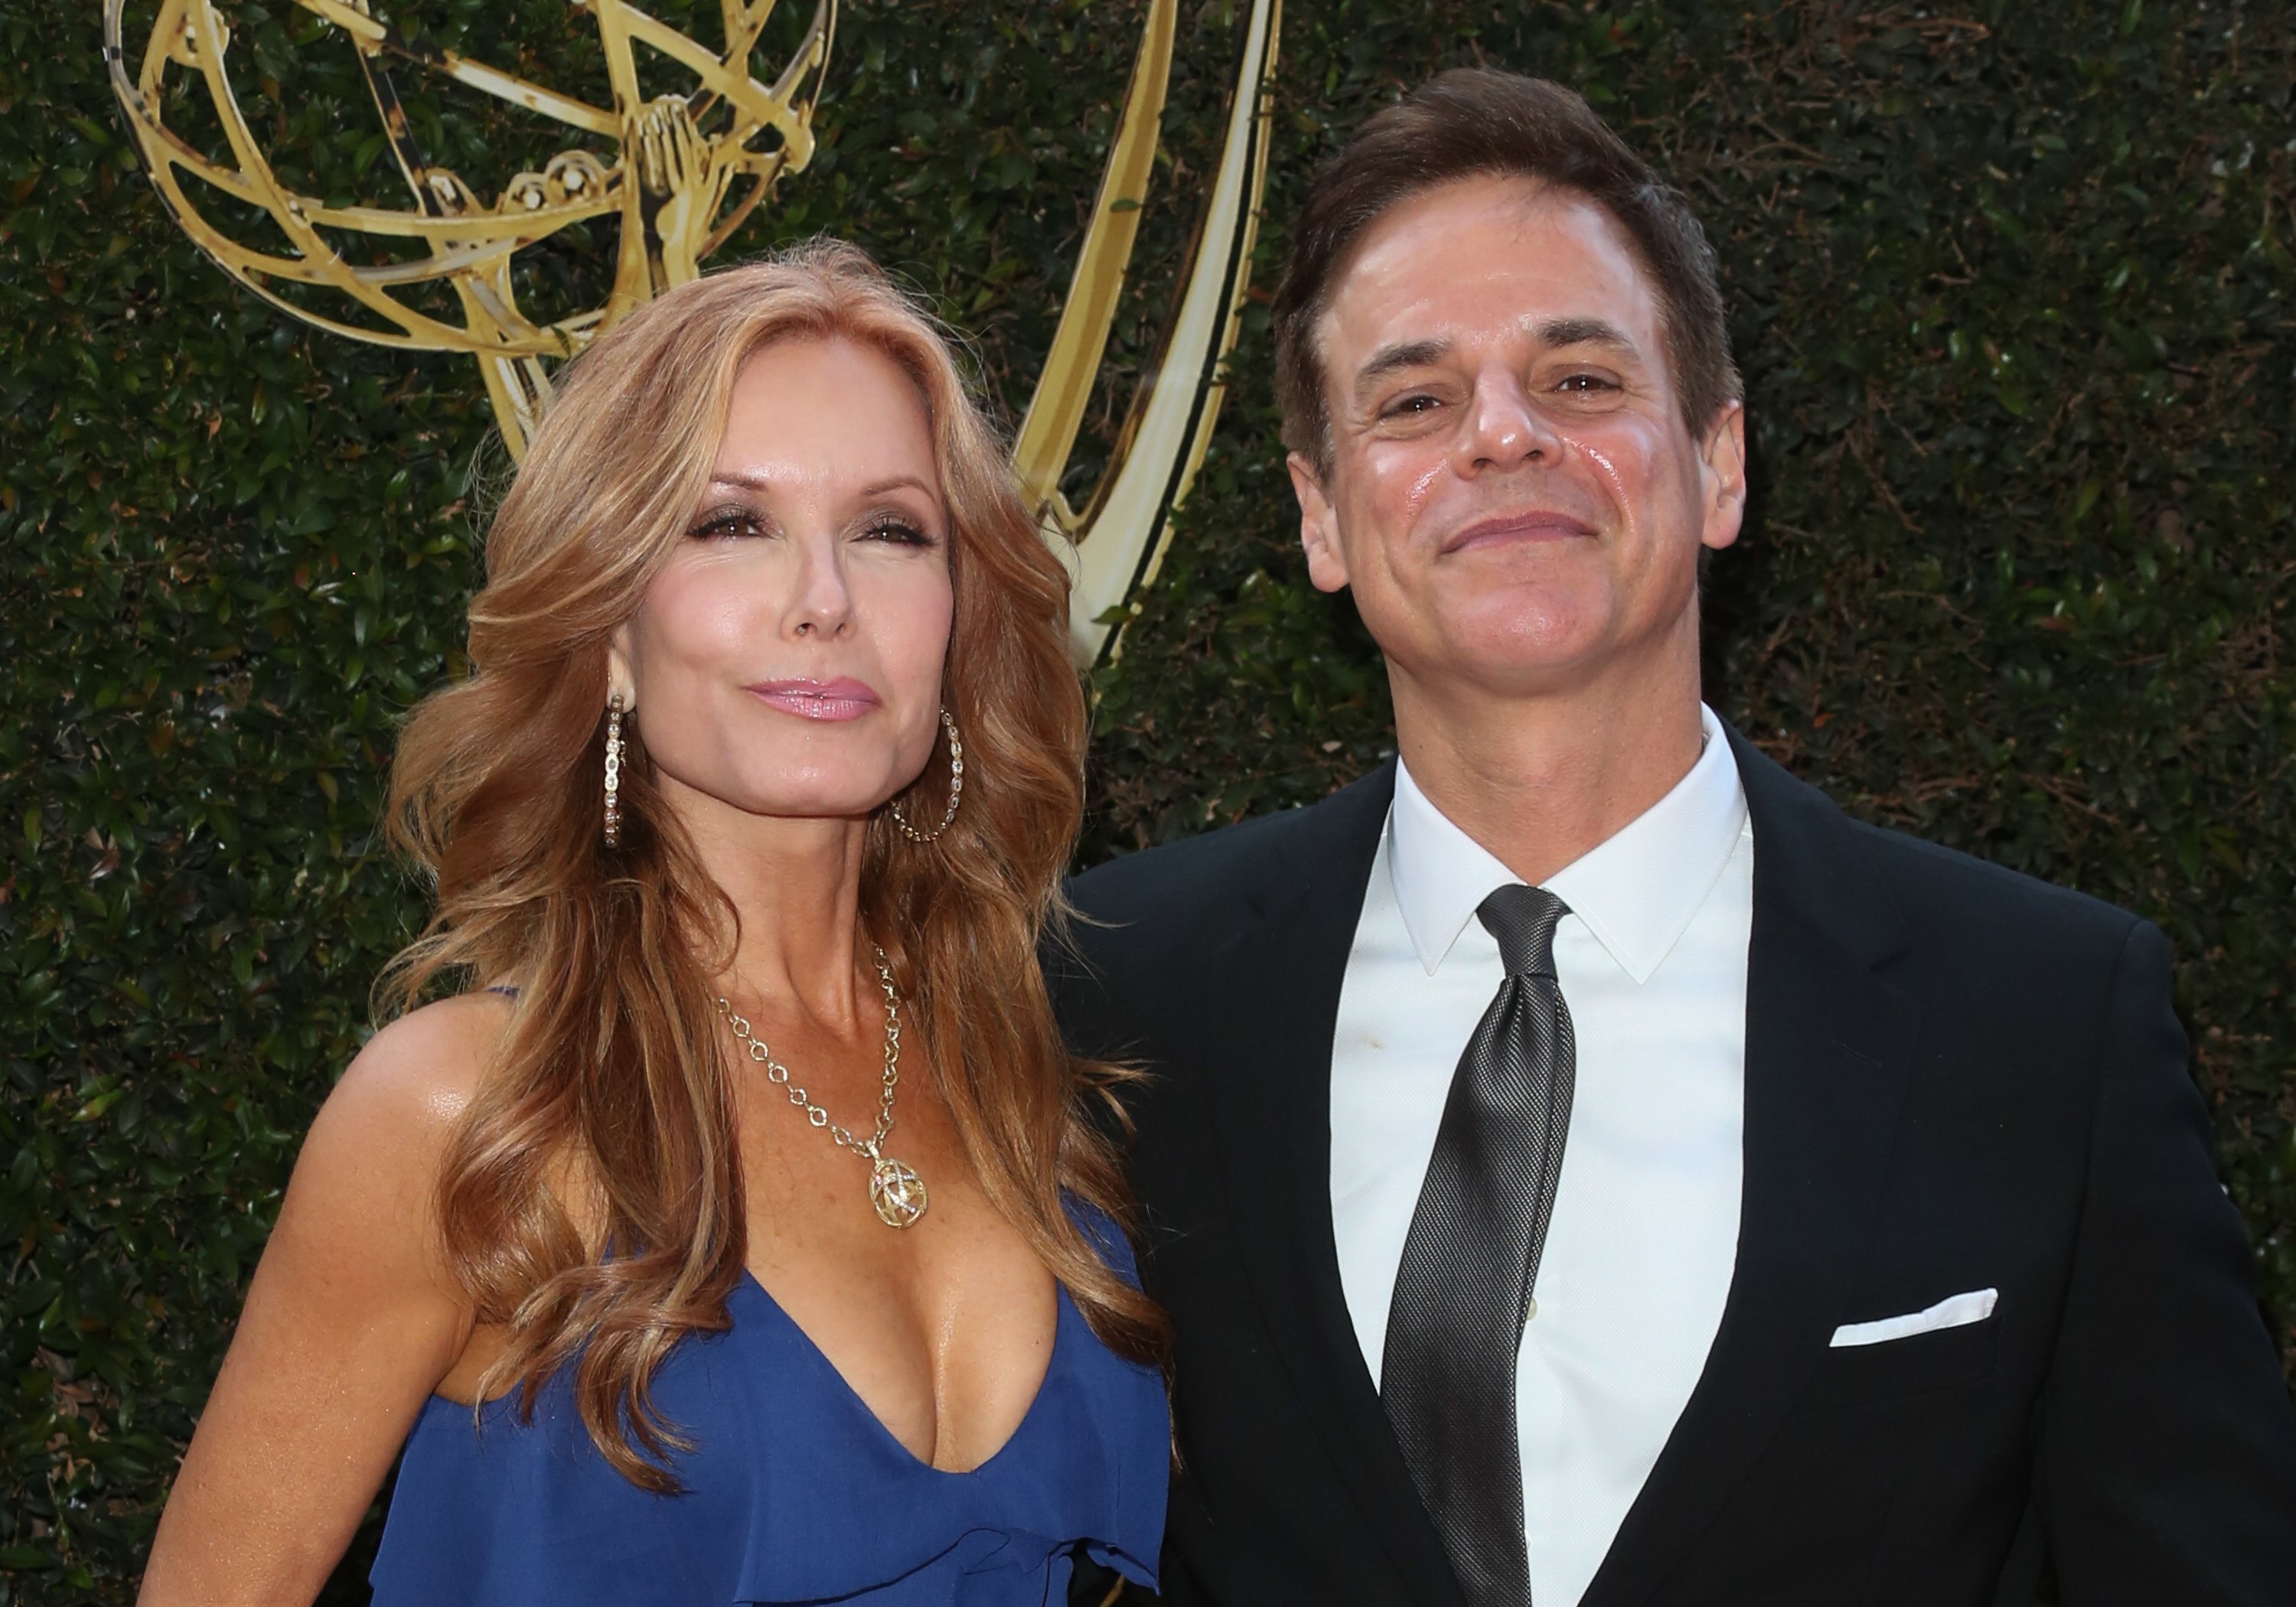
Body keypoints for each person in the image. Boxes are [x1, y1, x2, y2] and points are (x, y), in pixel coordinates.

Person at [1051, 69, 2296, 1607]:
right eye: (1415, 399)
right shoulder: (1118, 999)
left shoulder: (2044, 1021)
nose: (1502, 436)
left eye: (1580, 380)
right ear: (1320, 515)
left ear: (1720, 463)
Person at [139, 242, 1168, 1606]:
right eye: (731, 523)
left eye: (891, 530)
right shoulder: (471, 1113)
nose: (824, 598)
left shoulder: (1031, 1076)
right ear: (612, 625)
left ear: (958, 625)